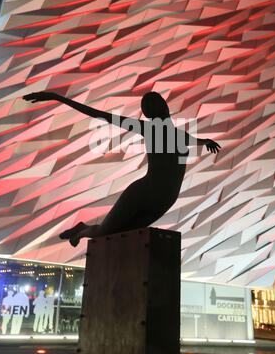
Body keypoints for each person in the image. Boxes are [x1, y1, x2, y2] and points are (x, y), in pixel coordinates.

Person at [23, 91, 221, 246]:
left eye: (156, 101)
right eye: (150, 105)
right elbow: (101, 115)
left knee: (122, 236)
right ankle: (82, 230)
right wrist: (57, 98)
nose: (155, 106)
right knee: (106, 233)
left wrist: (206, 141)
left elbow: (194, 141)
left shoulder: (181, 135)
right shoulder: (150, 129)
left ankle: (84, 230)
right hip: (145, 192)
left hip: (166, 199)